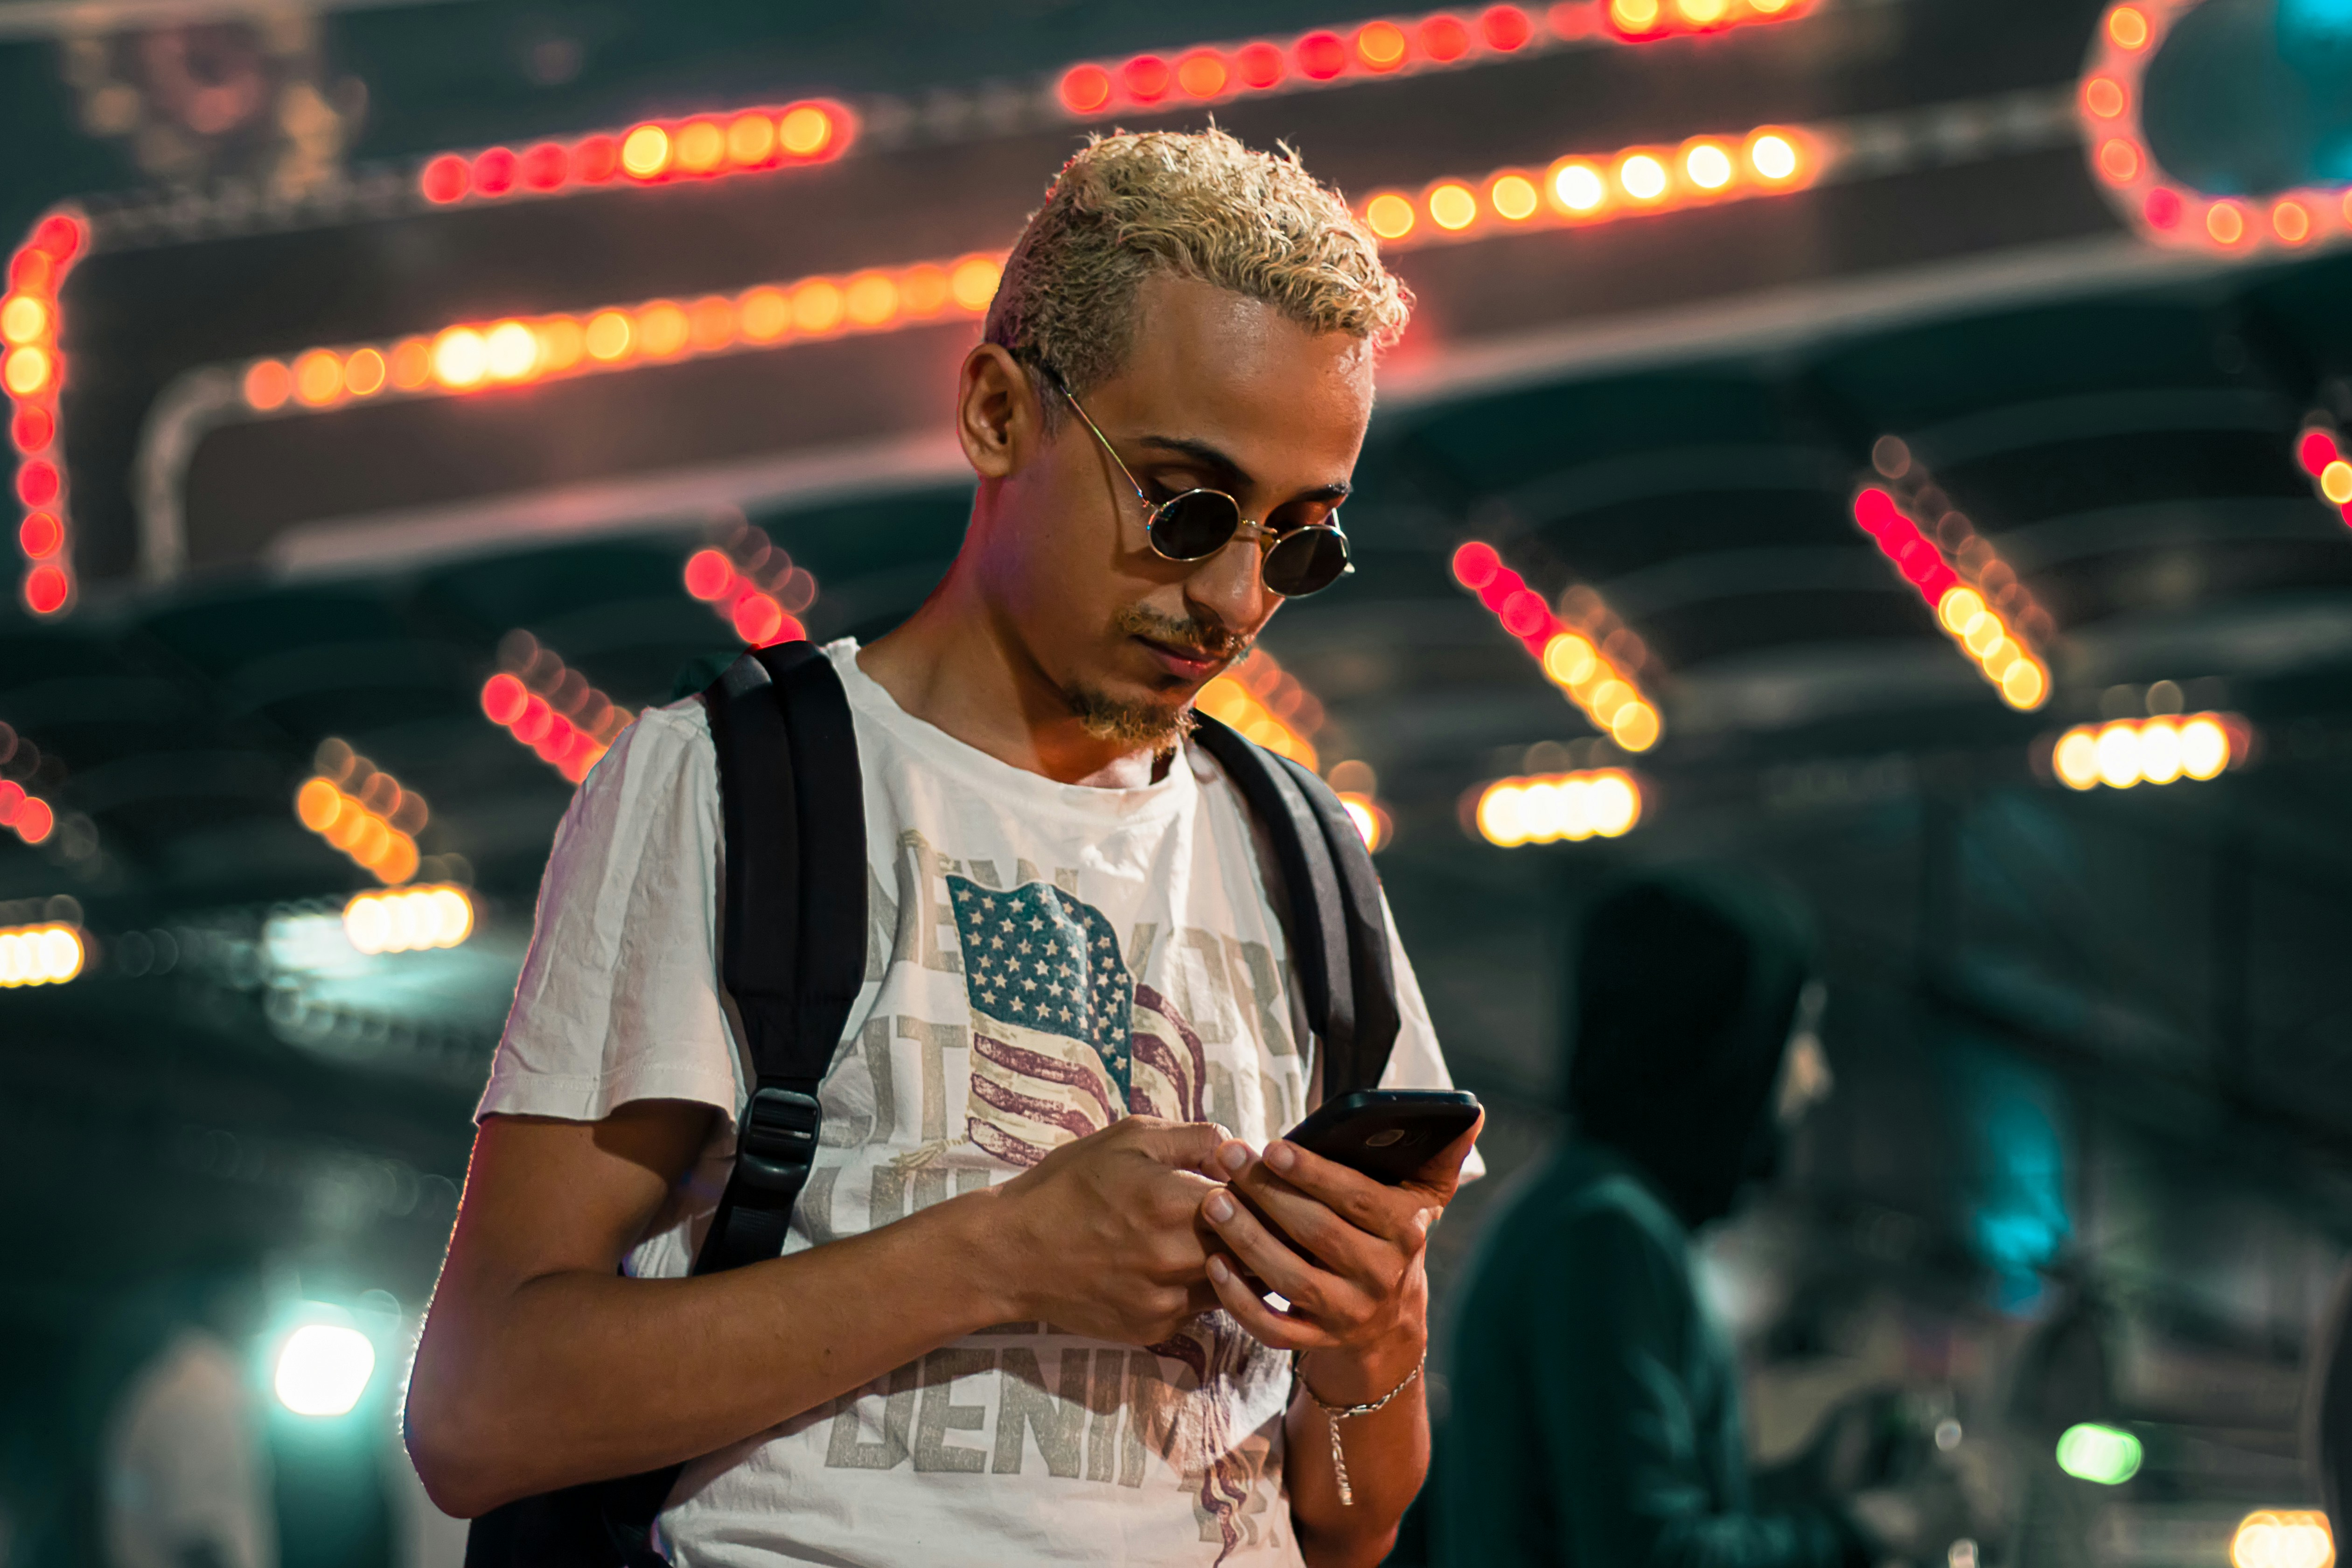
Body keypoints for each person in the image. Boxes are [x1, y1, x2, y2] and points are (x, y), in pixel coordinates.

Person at [405, 127, 1481, 1568]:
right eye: (1185, 506)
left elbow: (1352, 1521)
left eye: (1300, 538)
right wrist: (997, 1255)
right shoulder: (735, 785)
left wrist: (1372, 1344)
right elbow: (479, 1414)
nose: (1234, 598)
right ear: (995, 414)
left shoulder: (1308, 861)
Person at [1412, 871, 1936, 1568]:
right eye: (1798, 1034)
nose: (1816, 1077)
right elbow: (1651, 1556)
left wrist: (1806, 1484)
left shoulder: (1581, 1209)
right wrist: (1871, 1529)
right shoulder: (1604, 1235)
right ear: (1723, 1041)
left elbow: (1626, 1511)